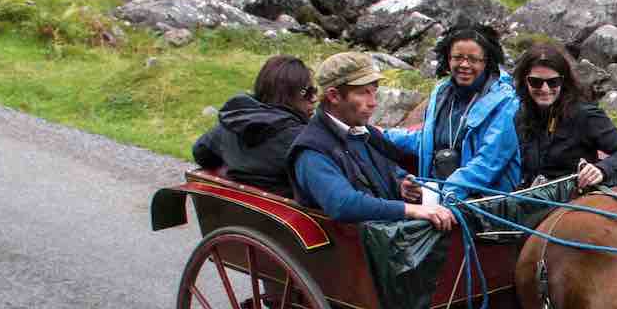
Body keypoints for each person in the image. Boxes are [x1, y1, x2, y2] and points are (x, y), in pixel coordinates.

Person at [291, 52, 455, 230]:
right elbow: (343, 204)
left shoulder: (364, 132)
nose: (373, 103)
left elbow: (390, 168)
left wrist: (401, 185)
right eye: (363, 93)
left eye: (374, 92)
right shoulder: (311, 151)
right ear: (334, 96)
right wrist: (412, 210)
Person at [375, 25, 520, 202]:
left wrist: (442, 197)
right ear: (447, 58)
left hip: (484, 201)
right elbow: (428, 141)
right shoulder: (441, 93)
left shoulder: (506, 101)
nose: (464, 65)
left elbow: (490, 161)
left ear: (487, 62)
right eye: (458, 57)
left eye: (473, 59)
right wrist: (382, 135)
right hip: (441, 194)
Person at [511, 41, 617, 191]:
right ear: (525, 81)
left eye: (553, 82)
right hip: (535, 195)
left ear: (563, 81)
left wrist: (602, 170)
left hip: (576, 197)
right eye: (536, 82)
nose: (545, 89)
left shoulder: (585, 115)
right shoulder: (521, 116)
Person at [191, 55, 314, 198]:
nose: (314, 98)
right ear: (287, 94)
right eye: (307, 92)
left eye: (314, 91)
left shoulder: (231, 124)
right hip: (290, 216)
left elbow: (200, 153)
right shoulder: (302, 139)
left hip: (234, 214)